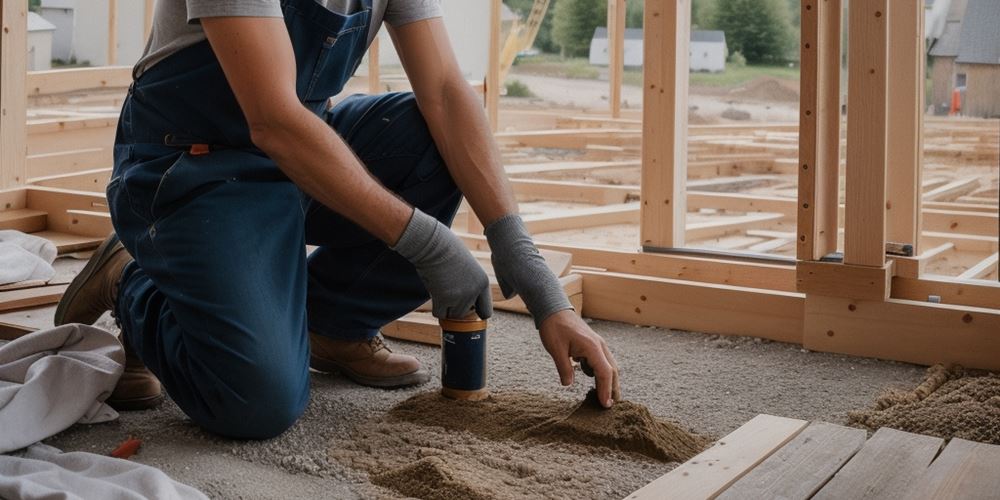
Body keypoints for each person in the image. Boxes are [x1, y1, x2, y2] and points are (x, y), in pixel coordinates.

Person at [55, 0, 620, 439]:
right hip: (195, 164)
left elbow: (446, 93)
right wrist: (429, 244)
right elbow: (273, 119)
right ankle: (132, 279)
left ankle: (332, 324)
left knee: (431, 144)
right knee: (256, 400)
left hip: (302, 147)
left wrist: (530, 269)